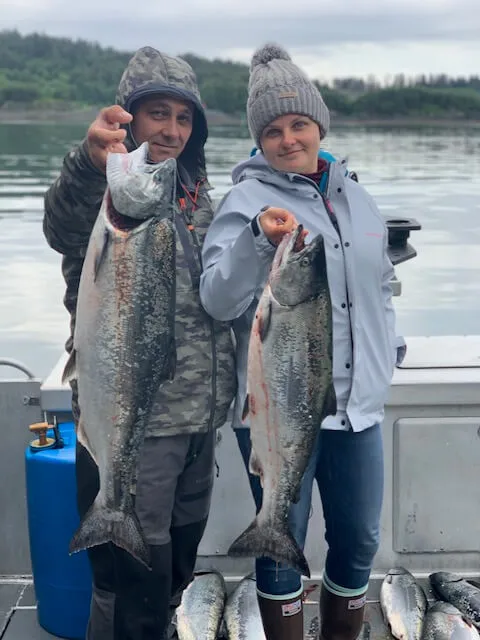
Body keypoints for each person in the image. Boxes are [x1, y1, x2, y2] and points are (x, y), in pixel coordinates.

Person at [200, 43, 405, 640]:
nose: (288, 139)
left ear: (319, 125)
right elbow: (217, 298)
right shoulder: (244, 201)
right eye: (272, 131)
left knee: (360, 538)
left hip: (357, 409)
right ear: (257, 141)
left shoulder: (356, 195)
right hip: (276, 408)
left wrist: (388, 349)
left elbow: (382, 283)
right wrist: (259, 241)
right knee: (278, 533)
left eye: (298, 124)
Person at [43, 46, 236, 640]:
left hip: (199, 422)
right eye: (158, 113)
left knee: (174, 568)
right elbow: (63, 226)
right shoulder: (108, 194)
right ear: (129, 117)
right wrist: (88, 161)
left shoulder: (201, 197)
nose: (172, 130)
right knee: (129, 579)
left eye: (184, 118)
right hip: (134, 420)